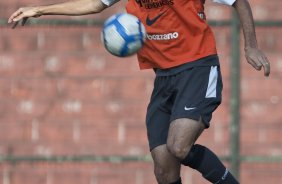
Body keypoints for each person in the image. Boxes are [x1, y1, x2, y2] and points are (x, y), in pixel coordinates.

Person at [8, 0, 270, 183]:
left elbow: (239, 1)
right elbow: (94, 3)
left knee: (178, 147)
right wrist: (40, 9)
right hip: (163, 77)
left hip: (197, 68)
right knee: (163, 166)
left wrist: (251, 46)